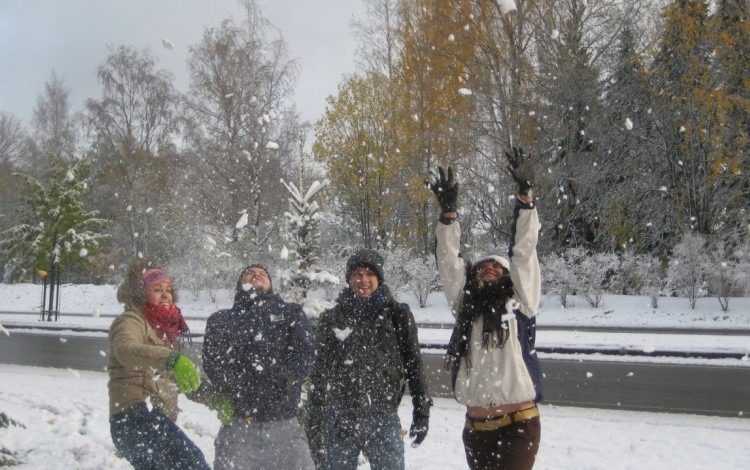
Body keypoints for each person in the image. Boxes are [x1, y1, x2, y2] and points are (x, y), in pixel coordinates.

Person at [427, 148, 543, 470]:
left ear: (508, 276)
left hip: (518, 423)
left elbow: (523, 253)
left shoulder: (520, 302)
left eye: (496, 266)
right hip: (476, 428)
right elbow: (449, 264)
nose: (488, 268)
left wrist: (525, 200)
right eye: (482, 266)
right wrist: (449, 216)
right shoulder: (466, 308)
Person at [306, 249, 432, 470]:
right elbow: (320, 370)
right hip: (341, 416)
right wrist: (315, 418)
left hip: (384, 416)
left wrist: (421, 411)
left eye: (369, 274)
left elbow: (414, 363)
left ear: (378, 278)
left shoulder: (397, 314)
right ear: (349, 279)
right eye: (357, 274)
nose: (363, 280)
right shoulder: (333, 318)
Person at [202, 264, 316, 470]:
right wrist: (235, 385)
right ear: (239, 285)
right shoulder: (220, 320)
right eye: (249, 273)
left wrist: (289, 375)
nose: (256, 275)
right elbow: (213, 362)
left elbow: (306, 352)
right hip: (238, 429)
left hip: (285, 427)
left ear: (270, 285)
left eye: (262, 274)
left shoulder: (291, 313)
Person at [108, 259, 209, 470]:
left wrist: (216, 399)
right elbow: (125, 350)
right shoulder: (131, 320)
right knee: (193, 464)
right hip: (133, 418)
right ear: (142, 294)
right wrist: (170, 359)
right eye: (157, 289)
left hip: (153, 420)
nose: (166, 295)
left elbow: (181, 382)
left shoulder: (161, 332)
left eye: (168, 290)